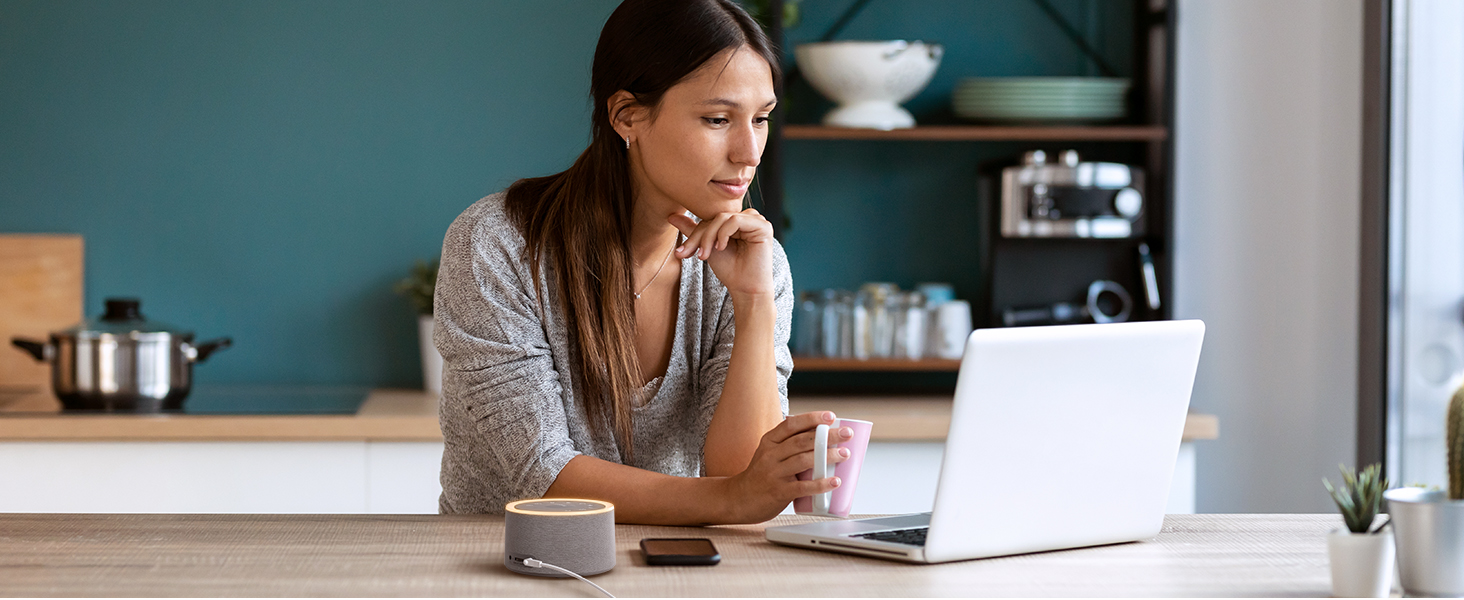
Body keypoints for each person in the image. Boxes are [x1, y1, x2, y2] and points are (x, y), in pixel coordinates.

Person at [433, 0, 852, 525]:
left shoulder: (754, 262)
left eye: (761, 119)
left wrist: (753, 303)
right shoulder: (499, 245)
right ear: (627, 116)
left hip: (670, 562)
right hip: (502, 563)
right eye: (718, 119)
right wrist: (730, 499)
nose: (749, 152)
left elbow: (744, 474)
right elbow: (540, 475)